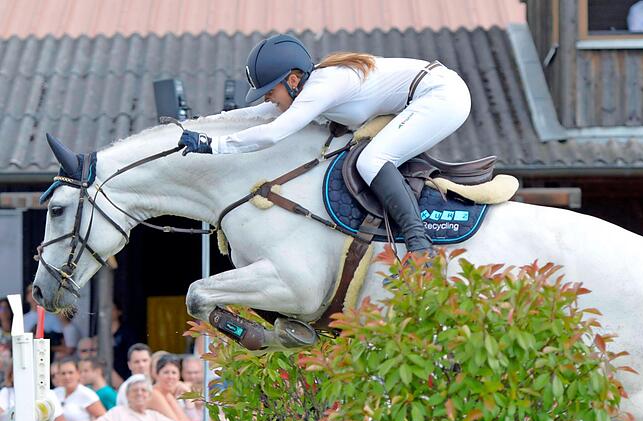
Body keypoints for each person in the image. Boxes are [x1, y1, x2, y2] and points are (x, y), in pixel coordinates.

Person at [178, 34, 472, 259]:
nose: (268, 99)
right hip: (426, 96)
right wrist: (205, 123)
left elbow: (272, 133)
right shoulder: (308, 89)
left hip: (442, 95)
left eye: (270, 92)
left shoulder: (321, 87)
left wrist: (212, 145)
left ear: (293, 80)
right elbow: (258, 114)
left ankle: (420, 248)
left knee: (371, 161)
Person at [52, 357, 106, 421]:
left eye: (70, 372)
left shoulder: (86, 394)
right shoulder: (55, 393)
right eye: (63, 373)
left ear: (78, 373)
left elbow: (104, 418)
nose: (67, 376)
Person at [111, 301, 138, 381]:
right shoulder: (100, 334)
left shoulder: (127, 333)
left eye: (112, 309)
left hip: (124, 374)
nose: (109, 312)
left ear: (119, 312)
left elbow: (131, 354)